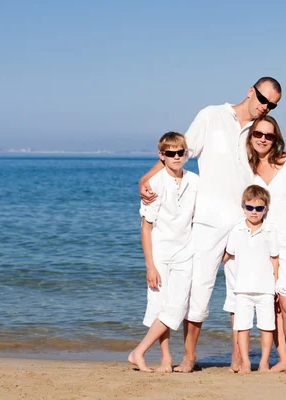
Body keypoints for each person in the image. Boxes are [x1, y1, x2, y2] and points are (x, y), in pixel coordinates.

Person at [139, 77, 286, 373]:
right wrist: (147, 179)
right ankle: (189, 356)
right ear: (250, 91)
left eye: (272, 105)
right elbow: (180, 153)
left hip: (246, 223)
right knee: (198, 290)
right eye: (263, 99)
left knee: (241, 293)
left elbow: (271, 159)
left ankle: (238, 357)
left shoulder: (256, 132)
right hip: (207, 221)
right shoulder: (211, 115)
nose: (265, 107)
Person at [240, 115, 286, 374]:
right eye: (258, 134)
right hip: (263, 242)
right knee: (272, 304)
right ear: (251, 136)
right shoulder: (246, 168)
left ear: (276, 139)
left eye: (268, 135)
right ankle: (282, 360)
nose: (262, 139)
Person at [128, 132, 199, 373]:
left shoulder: (195, 181)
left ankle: (138, 351)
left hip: (186, 253)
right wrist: (150, 265)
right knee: (161, 307)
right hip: (160, 255)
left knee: (177, 307)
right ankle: (166, 359)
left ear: (186, 154)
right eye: (171, 153)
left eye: (181, 153)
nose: (177, 157)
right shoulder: (154, 184)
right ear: (162, 156)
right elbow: (146, 228)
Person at [225, 185, 279, 374]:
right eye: (249, 207)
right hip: (242, 289)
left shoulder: (271, 230)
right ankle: (246, 362)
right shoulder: (237, 230)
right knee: (242, 327)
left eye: (259, 208)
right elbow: (227, 255)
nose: (254, 212)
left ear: (266, 209)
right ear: (243, 207)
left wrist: (277, 286)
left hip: (266, 288)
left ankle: (264, 362)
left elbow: (275, 259)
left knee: (266, 327)